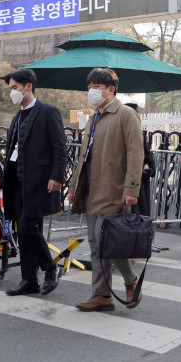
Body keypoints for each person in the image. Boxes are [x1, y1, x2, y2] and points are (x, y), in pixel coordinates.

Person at [68, 68, 144, 312]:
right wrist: (73, 188)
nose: (91, 90)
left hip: (113, 190)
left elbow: (135, 153)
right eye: (90, 86)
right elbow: (83, 157)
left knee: (108, 242)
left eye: (97, 86)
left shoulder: (125, 115)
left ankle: (131, 279)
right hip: (91, 190)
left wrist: (131, 188)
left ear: (111, 89)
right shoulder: (94, 117)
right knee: (95, 244)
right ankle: (102, 295)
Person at [1, 68, 67, 297]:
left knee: (28, 226)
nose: (12, 93)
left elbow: (60, 148)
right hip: (17, 182)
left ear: (28, 86)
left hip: (39, 182)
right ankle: (29, 279)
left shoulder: (48, 112)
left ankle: (51, 268)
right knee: (24, 230)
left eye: (15, 88)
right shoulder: (17, 116)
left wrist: (57, 176)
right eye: (10, 88)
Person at [124, 103, 156, 217]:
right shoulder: (118, 134)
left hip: (139, 183)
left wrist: (149, 169)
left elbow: (148, 156)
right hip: (123, 182)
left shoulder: (140, 134)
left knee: (139, 217)